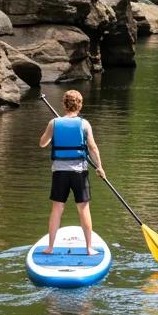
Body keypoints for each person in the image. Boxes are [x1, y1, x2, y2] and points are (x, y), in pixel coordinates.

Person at [38, 89, 106, 255]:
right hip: (79, 173)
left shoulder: (54, 123)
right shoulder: (84, 124)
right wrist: (99, 167)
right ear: (80, 105)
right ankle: (89, 248)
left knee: (57, 209)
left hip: (59, 172)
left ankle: (50, 247)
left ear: (64, 105)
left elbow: (42, 143)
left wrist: (54, 135)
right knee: (83, 209)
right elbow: (93, 148)